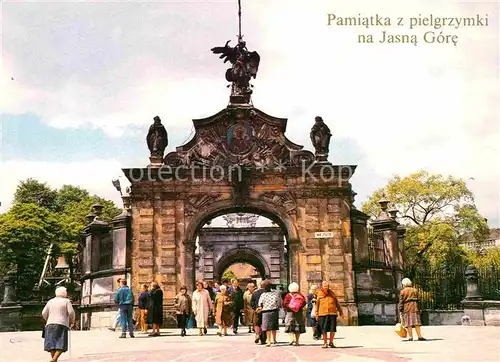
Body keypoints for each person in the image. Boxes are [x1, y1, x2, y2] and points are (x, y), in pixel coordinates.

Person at [42, 286, 75, 362]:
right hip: (62, 324)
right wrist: (71, 321)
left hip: (50, 324)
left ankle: (54, 360)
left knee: (52, 344)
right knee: (61, 343)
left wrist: (48, 319)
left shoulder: (50, 301)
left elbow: (43, 313)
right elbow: (71, 313)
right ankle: (54, 359)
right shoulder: (66, 301)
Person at [315, 280, 344, 348]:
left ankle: (331, 342)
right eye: (325, 286)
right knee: (324, 329)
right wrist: (316, 314)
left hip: (332, 313)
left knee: (332, 329)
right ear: (322, 286)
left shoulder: (332, 293)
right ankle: (325, 343)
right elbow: (317, 305)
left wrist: (341, 312)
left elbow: (337, 303)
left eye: (327, 286)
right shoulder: (319, 294)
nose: (326, 287)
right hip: (322, 314)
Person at [258, 280, 282, 347]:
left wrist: (262, 307)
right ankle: (274, 340)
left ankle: (268, 341)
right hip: (274, 311)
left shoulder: (263, 295)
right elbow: (279, 303)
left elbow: (260, 304)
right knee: (274, 327)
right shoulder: (275, 293)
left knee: (267, 328)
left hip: (265, 312)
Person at [283, 282, 307, 346]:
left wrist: (290, 307)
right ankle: (297, 341)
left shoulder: (288, 295)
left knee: (290, 327)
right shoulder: (300, 295)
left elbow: (285, 304)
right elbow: (304, 303)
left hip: (290, 313)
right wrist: (298, 307)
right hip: (298, 313)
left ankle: (291, 339)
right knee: (297, 328)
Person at [250, 280, 267, 345]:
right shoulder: (266, 292)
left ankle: (257, 334)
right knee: (264, 324)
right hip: (265, 310)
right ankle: (263, 340)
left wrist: (255, 308)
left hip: (257, 311)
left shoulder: (255, 292)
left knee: (256, 323)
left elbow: (252, 302)